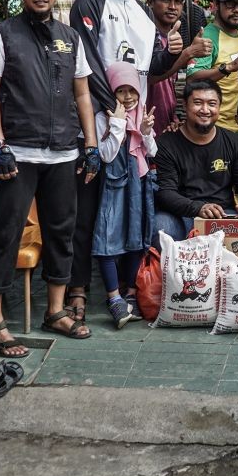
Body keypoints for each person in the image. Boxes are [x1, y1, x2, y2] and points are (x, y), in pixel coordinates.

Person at [0, 0, 100, 350]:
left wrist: (91, 143)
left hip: (64, 152)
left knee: (62, 231)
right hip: (18, 152)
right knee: (6, 232)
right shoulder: (2, 35)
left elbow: (82, 92)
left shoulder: (71, 37)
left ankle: (56, 311)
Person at [67, 0, 185, 322]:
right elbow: (86, 64)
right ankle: (79, 289)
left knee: (132, 212)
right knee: (90, 212)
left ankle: (128, 289)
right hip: (100, 122)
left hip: (137, 130)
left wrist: (187, 55)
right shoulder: (89, 1)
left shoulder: (143, 14)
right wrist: (114, 108)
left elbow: (151, 71)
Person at [154, 79, 238, 241]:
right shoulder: (166, 143)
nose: (205, 110)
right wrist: (199, 208)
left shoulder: (234, 142)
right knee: (161, 226)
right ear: (185, 105)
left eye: (212, 104)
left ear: (219, 107)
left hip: (223, 213)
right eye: (198, 103)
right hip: (181, 215)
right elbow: (165, 192)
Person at [93, 62, 158, 328]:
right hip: (113, 185)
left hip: (138, 184)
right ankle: (114, 298)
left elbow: (152, 152)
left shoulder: (142, 114)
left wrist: (144, 132)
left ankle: (131, 292)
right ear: (111, 91)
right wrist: (118, 125)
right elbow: (105, 155)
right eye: (121, 90)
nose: (128, 96)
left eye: (132, 90)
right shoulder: (102, 118)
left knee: (136, 238)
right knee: (107, 239)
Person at [146, 0, 211, 135]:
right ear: (150, 2)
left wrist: (176, 118)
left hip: (167, 125)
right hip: (145, 126)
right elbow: (150, 78)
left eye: (178, 1)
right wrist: (189, 53)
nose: (173, 6)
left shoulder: (174, 37)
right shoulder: (144, 36)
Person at [189, 0, 238, 132]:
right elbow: (192, 78)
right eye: (230, 3)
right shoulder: (209, 36)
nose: (237, 9)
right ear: (216, 5)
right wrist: (227, 68)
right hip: (220, 128)